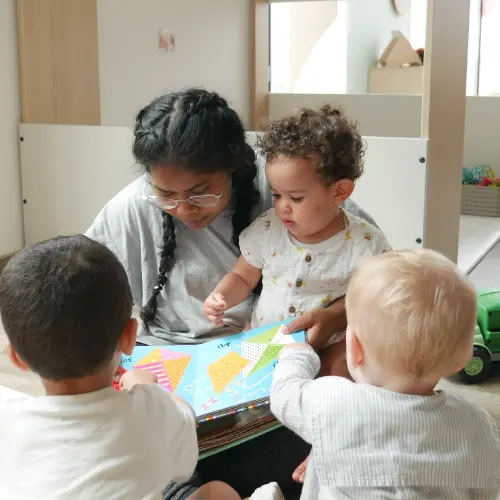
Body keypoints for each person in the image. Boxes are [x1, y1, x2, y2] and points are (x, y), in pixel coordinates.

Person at [85, 88, 377, 497]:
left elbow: (383, 286)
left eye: (201, 191)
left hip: (275, 368)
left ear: (235, 167)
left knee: (335, 433)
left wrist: (336, 316)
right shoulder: (134, 206)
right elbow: (82, 298)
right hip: (173, 372)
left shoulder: (285, 185)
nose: (184, 208)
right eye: (167, 195)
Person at [0, 235, 246, 500]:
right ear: (130, 336)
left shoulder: (9, 418)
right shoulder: (152, 410)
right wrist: (145, 387)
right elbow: (185, 436)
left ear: (16, 357)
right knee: (219, 493)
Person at [270, 249, 500, 499]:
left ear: (355, 349)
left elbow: (284, 393)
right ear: (463, 359)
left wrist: (297, 354)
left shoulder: (333, 403)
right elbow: (486, 489)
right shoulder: (477, 424)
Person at [203, 104, 390, 376]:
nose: (282, 207)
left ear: (339, 192)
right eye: (277, 195)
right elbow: (243, 277)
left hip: (329, 341)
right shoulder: (268, 229)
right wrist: (221, 296)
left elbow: (374, 299)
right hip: (267, 340)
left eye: (296, 198)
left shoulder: (366, 242)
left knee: (344, 372)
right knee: (234, 380)